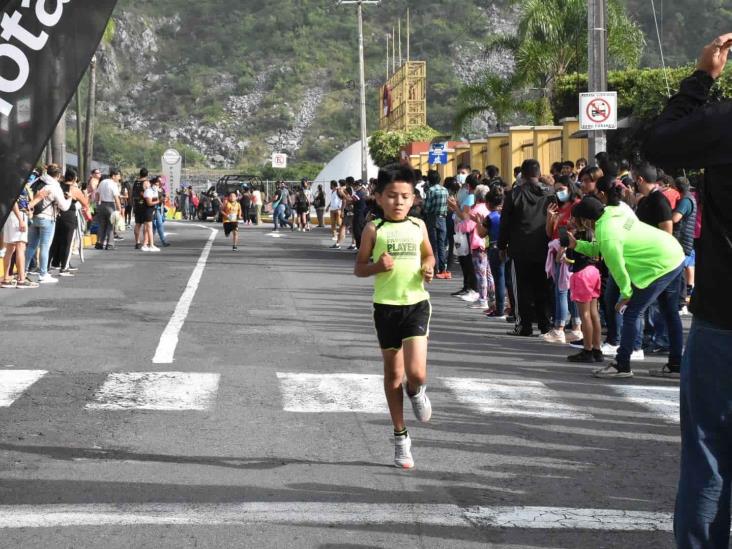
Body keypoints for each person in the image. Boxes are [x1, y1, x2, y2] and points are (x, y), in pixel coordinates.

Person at [642, 33, 732, 548]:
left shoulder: (725, 122)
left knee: (708, 453)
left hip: (724, 317)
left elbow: (658, 142)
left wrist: (703, 78)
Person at [354, 164, 435, 469]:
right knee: (393, 375)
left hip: (416, 304)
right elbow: (359, 268)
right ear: (378, 197)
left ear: (414, 198)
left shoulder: (418, 226)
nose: (398, 202)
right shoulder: (374, 229)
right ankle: (400, 437)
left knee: (416, 373)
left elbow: (429, 254)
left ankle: (417, 391)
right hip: (386, 307)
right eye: (391, 196)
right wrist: (377, 267)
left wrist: (428, 266)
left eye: (405, 196)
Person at [567, 190, 685, 379]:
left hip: (659, 264)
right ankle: (676, 365)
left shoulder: (605, 232)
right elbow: (602, 248)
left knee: (631, 314)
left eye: (579, 220)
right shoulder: (614, 213)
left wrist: (626, 295)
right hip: (673, 253)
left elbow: (618, 269)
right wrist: (578, 245)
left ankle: (622, 365)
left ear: (587, 220)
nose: (579, 224)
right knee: (670, 312)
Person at [498, 159, 552, 337]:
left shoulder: (514, 194)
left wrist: (501, 245)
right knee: (542, 288)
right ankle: (545, 326)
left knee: (521, 289)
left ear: (522, 174)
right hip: (544, 247)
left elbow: (504, 223)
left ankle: (524, 326)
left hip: (519, 248)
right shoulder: (550, 193)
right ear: (538, 173)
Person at [543, 175, 582, 344]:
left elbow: (576, 229)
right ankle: (575, 327)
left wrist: (564, 248)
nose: (559, 193)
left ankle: (560, 327)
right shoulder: (560, 206)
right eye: (556, 190)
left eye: (561, 189)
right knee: (566, 290)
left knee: (562, 290)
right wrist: (549, 217)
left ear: (570, 187)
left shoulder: (576, 205)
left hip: (567, 251)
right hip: (556, 248)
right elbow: (548, 232)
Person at [563, 203, 603, 363]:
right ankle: (597, 348)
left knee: (584, 314)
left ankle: (587, 349)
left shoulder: (576, 236)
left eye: (573, 217)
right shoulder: (594, 232)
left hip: (581, 274)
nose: (570, 219)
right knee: (594, 314)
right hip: (594, 271)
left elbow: (571, 257)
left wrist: (564, 253)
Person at [25, 165, 78, 284]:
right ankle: (43, 274)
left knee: (31, 246)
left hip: (34, 217)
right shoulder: (54, 186)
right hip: (48, 219)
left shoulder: (38, 181)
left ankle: (23, 271)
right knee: (44, 246)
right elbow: (64, 207)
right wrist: (69, 198)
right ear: (58, 176)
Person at [49, 168, 89, 277]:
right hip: (69, 216)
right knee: (67, 243)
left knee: (54, 241)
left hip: (57, 215)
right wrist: (85, 192)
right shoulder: (74, 189)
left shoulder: (58, 186)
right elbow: (85, 203)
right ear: (75, 178)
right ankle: (64, 268)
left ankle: (49, 265)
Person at [2, 179, 38, 288]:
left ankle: (6, 278)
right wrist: (20, 219)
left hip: (13, 216)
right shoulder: (17, 182)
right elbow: (13, 200)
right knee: (20, 246)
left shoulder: (11, 181)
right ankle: (21, 279)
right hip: (17, 216)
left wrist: (28, 212)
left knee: (10, 247)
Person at [423, 170, 449, 279]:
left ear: (429, 180)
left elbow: (427, 208)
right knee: (441, 244)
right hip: (443, 218)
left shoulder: (430, 191)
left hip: (432, 218)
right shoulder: (445, 190)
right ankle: (443, 268)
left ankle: (435, 267)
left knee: (433, 244)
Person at [95, 169, 123, 250]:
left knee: (101, 225)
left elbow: (97, 193)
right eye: (118, 176)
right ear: (113, 176)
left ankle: (99, 243)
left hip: (102, 204)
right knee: (110, 225)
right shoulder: (113, 184)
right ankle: (110, 244)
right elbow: (116, 197)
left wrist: (97, 204)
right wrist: (119, 209)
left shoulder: (102, 182)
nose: (119, 177)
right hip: (110, 205)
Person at [141, 179, 160, 252]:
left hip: (151, 210)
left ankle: (145, 244)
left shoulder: (154, 191)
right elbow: (149, 203)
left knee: (147, 228)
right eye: (156, 184)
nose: (157, 186)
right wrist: (158, 201)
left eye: (158, 185)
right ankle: (151, 245)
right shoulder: (148, 191)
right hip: (147, 210)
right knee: (149, 228)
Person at [150, 177, 170, 247]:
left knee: (155, 226)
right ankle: (163, 241)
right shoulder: (153, 189)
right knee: (159, 224)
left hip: (160, 208)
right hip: (155, 208)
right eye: (158, 181)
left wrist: (165, 199)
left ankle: (151, 241)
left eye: (161, 181)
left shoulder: (162, 189)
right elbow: (152, 198)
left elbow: (166, 197)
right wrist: (159, 200)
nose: (160, 182)